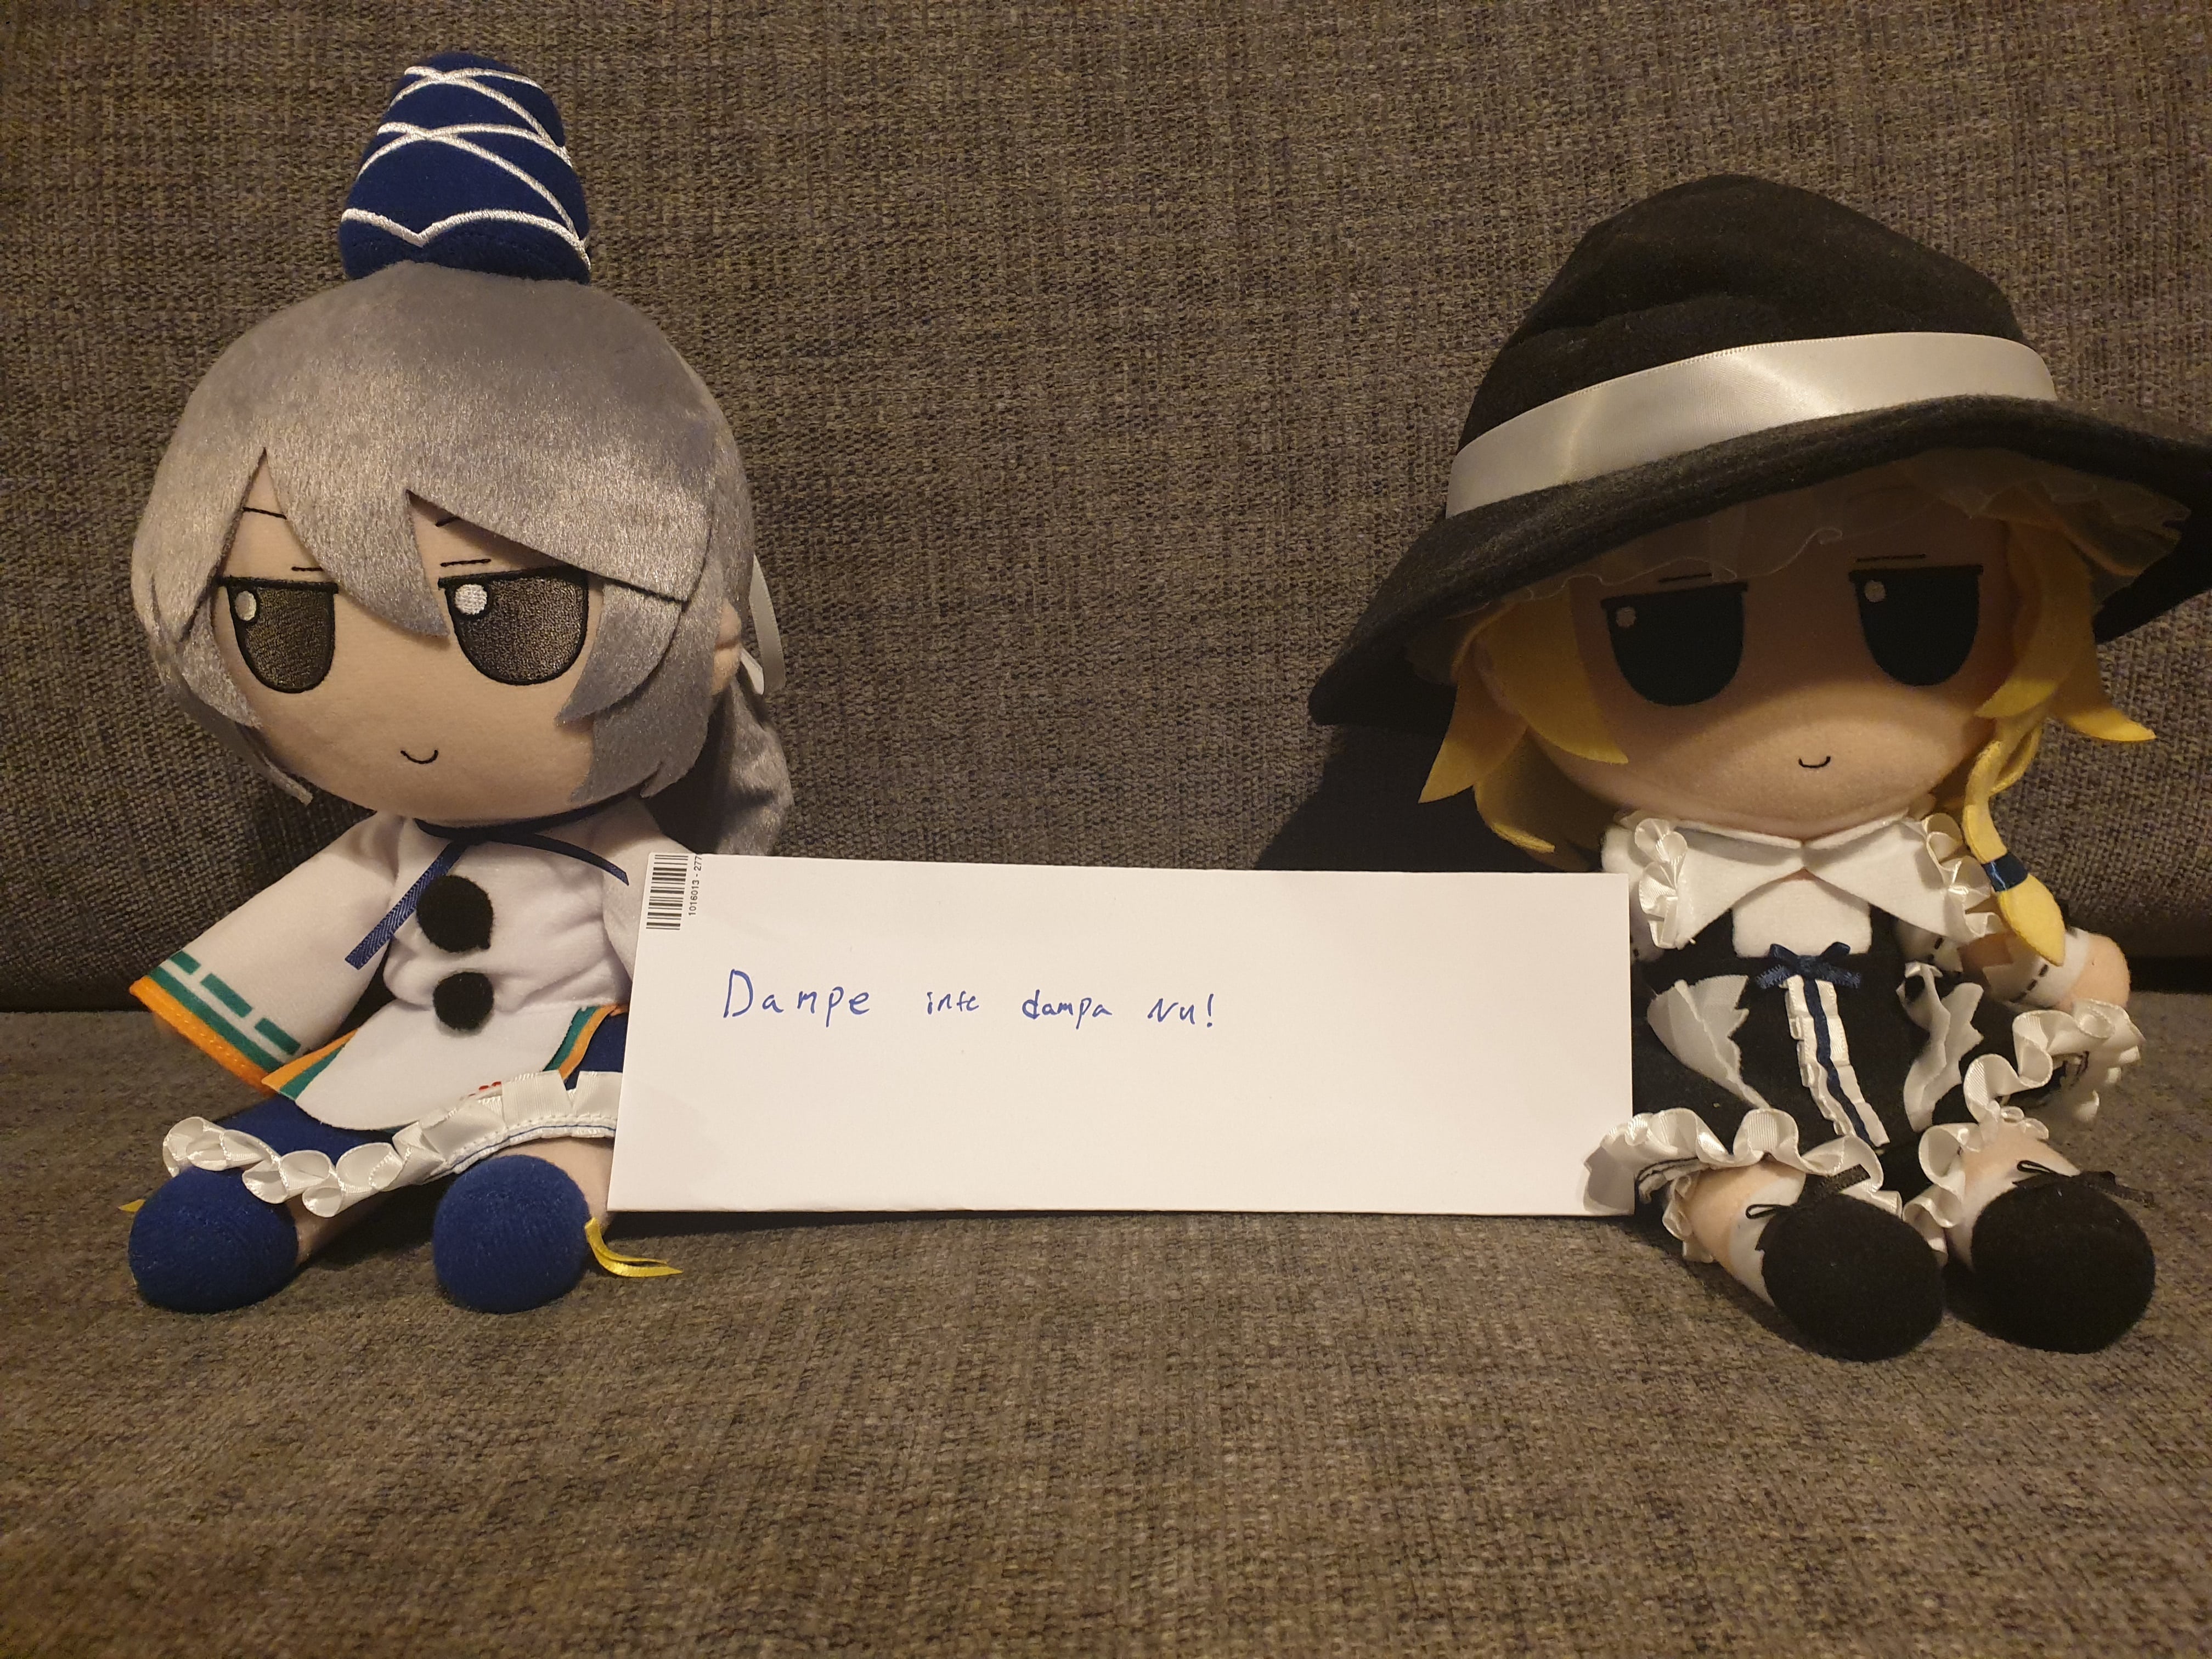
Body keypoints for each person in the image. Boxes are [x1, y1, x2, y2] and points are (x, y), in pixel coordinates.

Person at [1310, 176, 2211, 1358]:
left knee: (1980, 1120)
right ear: (1520, 673)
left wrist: (2055, 963)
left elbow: (2011, 949)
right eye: (1676, 639)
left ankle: (2013, 1198)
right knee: (1720, 1162)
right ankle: (1772, 1229)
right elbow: (1513, 995)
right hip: (1713, 1074)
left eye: (1921, 615)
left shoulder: (1928, 865)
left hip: (1913, 1051)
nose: (1811, 717)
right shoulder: (1649, 884)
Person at [125, 54, 789, 1314]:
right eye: (284, 621)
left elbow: (721, 983)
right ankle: (283, 1206)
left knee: (569, 1144)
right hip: (402, 1039)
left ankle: (554, 1182)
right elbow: (310, 936)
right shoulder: (389, 847)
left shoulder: (621, 855)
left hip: (579, 1043)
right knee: (281, 1157)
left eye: (510, 610)